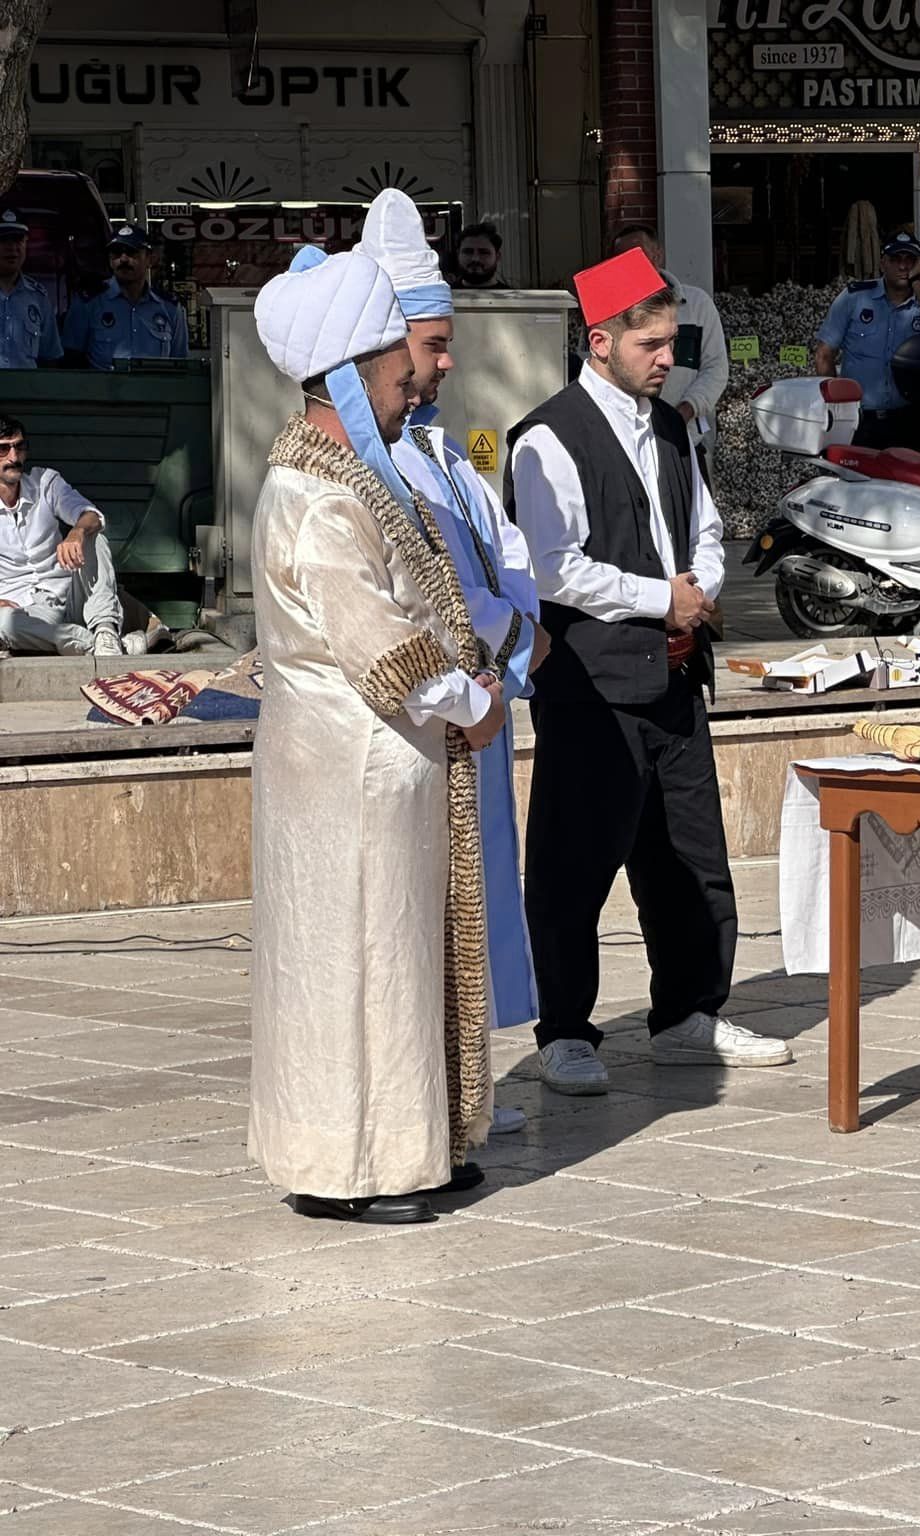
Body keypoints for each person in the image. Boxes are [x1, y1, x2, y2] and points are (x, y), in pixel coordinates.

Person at [246, 245, 506, 1224]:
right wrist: (473, 705)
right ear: (353, 377)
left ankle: (414, 1147)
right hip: (347, 771)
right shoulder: (315, 499)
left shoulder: (355, 479)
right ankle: (351, 1170)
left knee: (397, 962)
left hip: (380, 766)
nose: (420, 387)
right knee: (354, 968)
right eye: (405, 372)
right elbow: (381, 650)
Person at [507, 247, 791, 1096]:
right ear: (600, 342)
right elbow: (551, 568)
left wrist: (697, 586)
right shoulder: (546, 438)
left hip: (673, 677)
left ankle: (689, 1014)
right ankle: (564, 1029)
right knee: (575, 862)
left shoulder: (670, 424)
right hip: (595, 685)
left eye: (672, 343)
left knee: (690, 856)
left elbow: (704, 523)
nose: (670, 360)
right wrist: (655, 597)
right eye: (652, 346)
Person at [360, 188, 545, 1138]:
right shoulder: (366, 465)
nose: (446, 362)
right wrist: (508, 640)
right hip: (427, 718)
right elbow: (415, 594)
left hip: (479, 702)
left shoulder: (435, 447)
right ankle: (424, 1095)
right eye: (433, 345)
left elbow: (503, 550)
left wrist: (517, 633)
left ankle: (461, 1082)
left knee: (469, 910)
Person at [0, 417, 137, 656]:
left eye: (19, 447)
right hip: (27, 613)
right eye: (3, 448)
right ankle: (97, 645)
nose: (14, 457)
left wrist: (77, 531)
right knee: (2, 623)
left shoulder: (45, 482)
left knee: (94, 536)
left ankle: (105, 630)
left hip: (73, 598)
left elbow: (91, 515)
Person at [814, 231, 920, 450]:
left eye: (909, 260)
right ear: (883, 263)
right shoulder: (855, 297)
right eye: (895, 259)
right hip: (859, 418)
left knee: (902, 483)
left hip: (906, 418)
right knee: (858, 482)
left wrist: (918, 281)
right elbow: (824, 353)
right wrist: (835, 407)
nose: (903, 266)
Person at [609, 224, 729, 458]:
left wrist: (685, 411)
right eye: (622, 259)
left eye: (638, 255)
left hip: (686, 442)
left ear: (658, 255)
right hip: (627, 446)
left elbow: (716, 368)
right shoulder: (610, 314)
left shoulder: (696, 305)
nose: (630, 264)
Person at [64, 224, 190, 369]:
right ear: (110, 260)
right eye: (116, 253)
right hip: (103, 390)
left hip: (153, 390)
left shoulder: (170, 309)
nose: (123, 259)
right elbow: (72, 362)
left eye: (132, 252)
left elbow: (180, 364)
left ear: (150, 259)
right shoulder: (88, 303)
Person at [0, 211, 61, 369]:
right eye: (3, 240)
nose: (12, 248)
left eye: (18, 240)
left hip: (26, 392)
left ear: (26, 244)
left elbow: (50, 358)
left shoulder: (39, 298)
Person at [453, 222, 511, 289]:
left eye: (484, 253)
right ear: (458, 254)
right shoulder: (444, 295)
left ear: (497, 257)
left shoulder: (514, 298)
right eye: (468, 252)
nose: (475, 258)